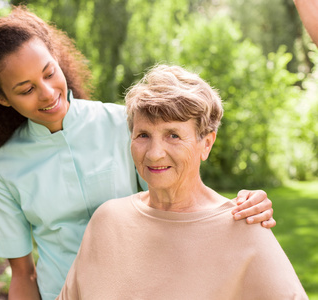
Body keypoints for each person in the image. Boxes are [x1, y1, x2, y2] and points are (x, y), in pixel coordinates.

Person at [0, 6, 276, 299]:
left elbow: (180, 198)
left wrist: (240, 208)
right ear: (2, 98)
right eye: (26, 88)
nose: (47, 93)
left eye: (50, 73)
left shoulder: (124, 125)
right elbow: (23, 275)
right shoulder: (4, 168)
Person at [57, 64, 307, 299]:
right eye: (143, 135)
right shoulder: (106, 221)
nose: (154, 153)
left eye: (173, 135)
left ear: (206, 143)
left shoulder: (244, 227)